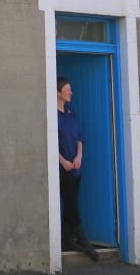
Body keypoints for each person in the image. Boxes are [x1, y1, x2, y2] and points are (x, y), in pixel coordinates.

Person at [57, 76, 99, 261]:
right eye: (68, 90)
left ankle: (66, 240)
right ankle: (84, 241)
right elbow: (51, 142)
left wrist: (79, 156)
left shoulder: (71, 111)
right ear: (58, 93)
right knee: (72, 204)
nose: (71, 92)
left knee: (70, 203)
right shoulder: (52, 114)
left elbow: (79, 137)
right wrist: (63, 161)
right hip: (62, 168)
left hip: (75, 166)